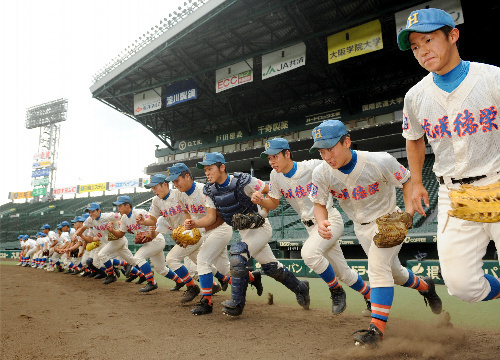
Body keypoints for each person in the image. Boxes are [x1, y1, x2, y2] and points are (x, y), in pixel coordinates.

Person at [309, 119, 442, 346]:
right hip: (361, 229)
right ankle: (425, 285)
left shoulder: (380, 160)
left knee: (377, 267)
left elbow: (407, 181)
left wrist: (407, 215)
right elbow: (319, 203)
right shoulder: (322, 173)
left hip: (389, 221)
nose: (327, 156)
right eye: (321, 151)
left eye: (331, 148)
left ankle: (376, 329)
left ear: (347, 142)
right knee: (396, 274)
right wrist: (321, 222)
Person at [399, 8, 500, 303]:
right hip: (454, 192)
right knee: (462, 286)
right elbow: (414, 139)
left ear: (453, 35)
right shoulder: (415, 96)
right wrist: (416, 182)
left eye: (429, 40)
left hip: (497, 179)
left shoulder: (491, 78)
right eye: (415, 47)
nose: (422, 51)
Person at [254, 138, 371, 315]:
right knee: (343, 273)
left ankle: (336, 291)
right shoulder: (275, 176)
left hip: (329, 219)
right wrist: (262, 201)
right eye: (269, 158)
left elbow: (337, 167)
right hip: (310, 227)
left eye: (275, 156)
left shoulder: (312, 166)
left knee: (309, 254)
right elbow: (274, 203)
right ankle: (371, 298)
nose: (272, 162)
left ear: (287, 154)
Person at [190, 152, 309, 316]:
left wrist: (263, 213)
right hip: (246, 233)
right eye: (205, 170)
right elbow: (211, 217)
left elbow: (271, 191)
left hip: (260, 228)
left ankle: (237, 304)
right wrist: (194, 224)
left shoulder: (243, 181)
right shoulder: (210, 190)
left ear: (222, 167)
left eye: (210, 169)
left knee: (238, 255)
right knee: (271, 268)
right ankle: (301, 288)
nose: (207, 173)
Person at [169, 163, 262, 315]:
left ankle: (207, 301)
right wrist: (187, 233)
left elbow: (218, 218)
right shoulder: (180, 194)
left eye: (177, 180)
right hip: (201, 230)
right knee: (225, 269)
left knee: (203, 260)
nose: (175, 184)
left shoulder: (204, 190)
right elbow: (187, 214)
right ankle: (252, 277)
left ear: (187, 176)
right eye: (173, 181)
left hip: (220, 229)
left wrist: (197, 229)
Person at [137, 174, 201, 303]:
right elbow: (152, 220)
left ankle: (192, 287)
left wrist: (185, 231)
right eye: (152, 189)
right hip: (182, 237)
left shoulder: (179, 194)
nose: (154, 191)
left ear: (164, 185)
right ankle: (222, 281)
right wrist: (144, 221)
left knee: (172, 259)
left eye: (156, 187)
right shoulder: (156, 201)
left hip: (193, 232)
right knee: (203, 263)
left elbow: (188, 212)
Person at [111, 195, 184, 292]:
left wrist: (149, 232)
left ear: (127, 205)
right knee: (161, 269)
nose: (118, 208)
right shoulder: (124, 219)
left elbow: (153, 221)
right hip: (151, 243)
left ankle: (151, 282)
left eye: (120, 205)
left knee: (137, 257)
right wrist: (111, 230)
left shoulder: (139, 212)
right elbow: (120, 234)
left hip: (156, 239)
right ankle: (180, 281)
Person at [73, 203, 134, 284]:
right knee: (134, 260)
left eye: (93, 211)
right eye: (89, 212)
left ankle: (112, 275)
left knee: (102, 255)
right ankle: (143, 275)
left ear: (99, 210)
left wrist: (123, 225)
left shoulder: (107, 216)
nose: (91, 214)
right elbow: (84, 230)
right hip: (110, 243)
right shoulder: (90, 221)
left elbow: (122, 216)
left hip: (117, 240)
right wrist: (76, 234)